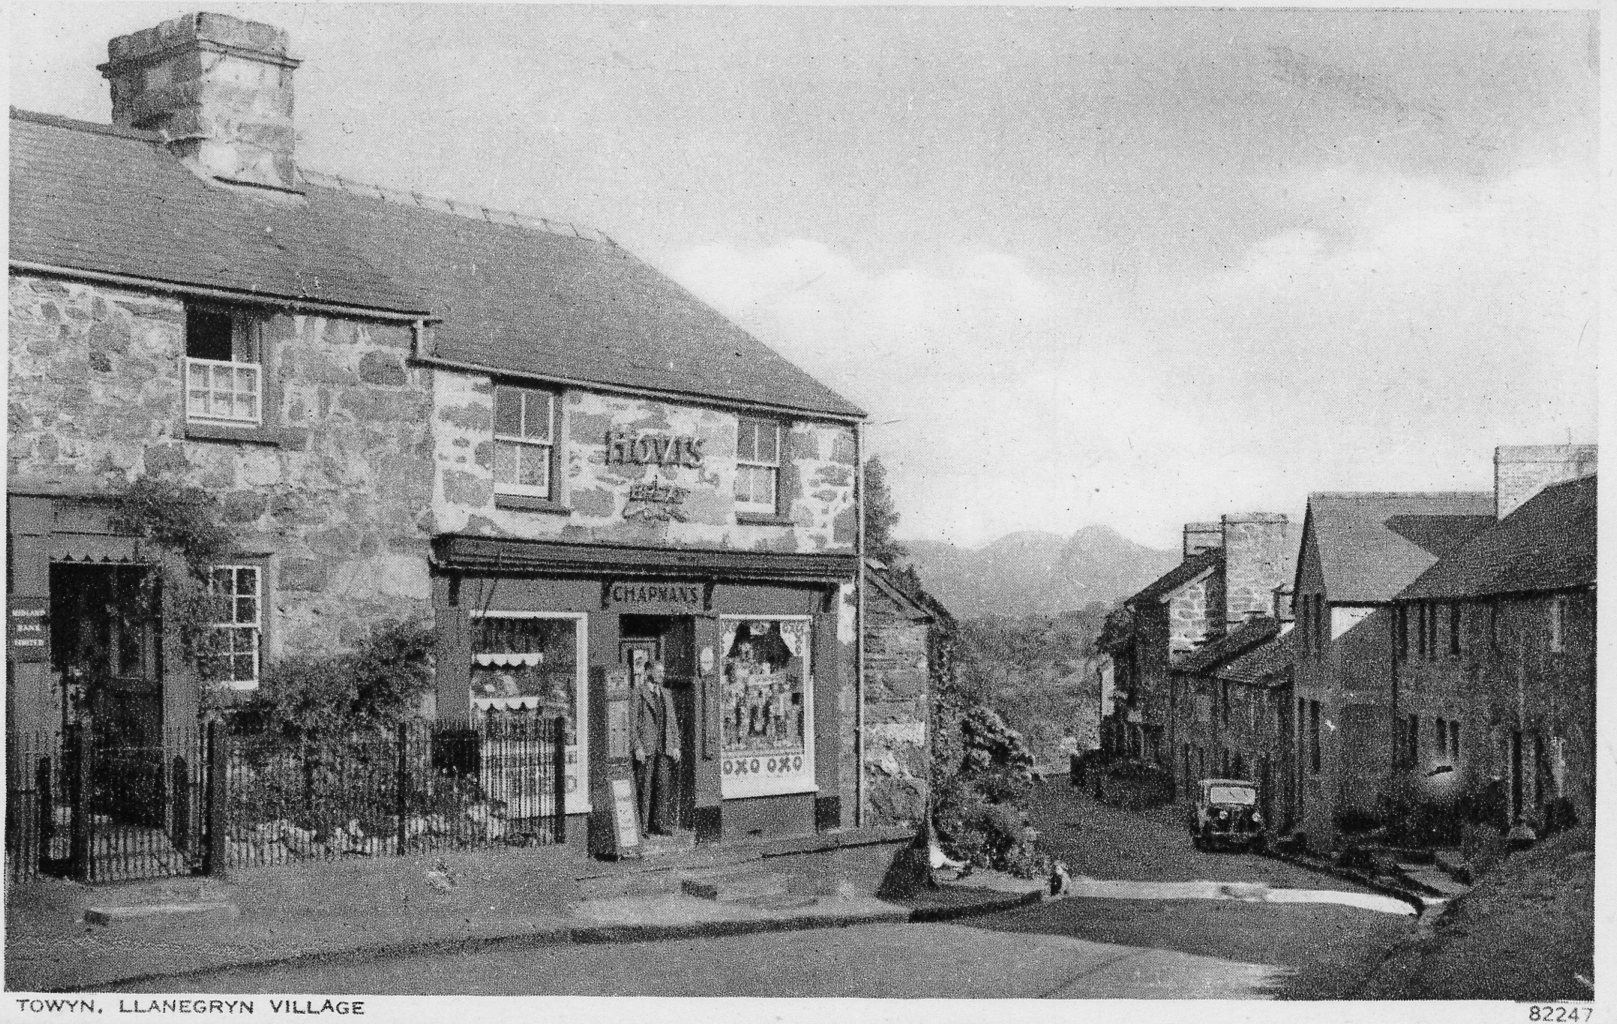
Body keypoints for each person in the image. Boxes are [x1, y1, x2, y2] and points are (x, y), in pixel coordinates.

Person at [631, 660, 682, 835]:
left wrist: (676, 745)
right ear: (648, 672)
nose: (662, 674)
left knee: (662, 786)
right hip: (646, 749)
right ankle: (642, 827)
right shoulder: (638, 693)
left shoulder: (666, 694)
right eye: (658, 671)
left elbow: (673, 722)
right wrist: (637, 746)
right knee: (644, 788)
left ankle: (659, 824)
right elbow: (632, 724)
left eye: (663, 671)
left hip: (664, 747)